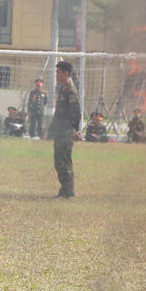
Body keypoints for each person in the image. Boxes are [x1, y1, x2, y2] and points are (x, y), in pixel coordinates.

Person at [51, 60, 81, 197]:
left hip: (66, 131)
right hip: (60, 130)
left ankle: (68, 191)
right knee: (59, 160)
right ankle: (64, 189)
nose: (56, 75)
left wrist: (74, 129)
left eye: (58, 73)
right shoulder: (62, 88)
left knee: (64, 160)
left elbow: (76, 111)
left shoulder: (70, 90)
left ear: (66, 73)